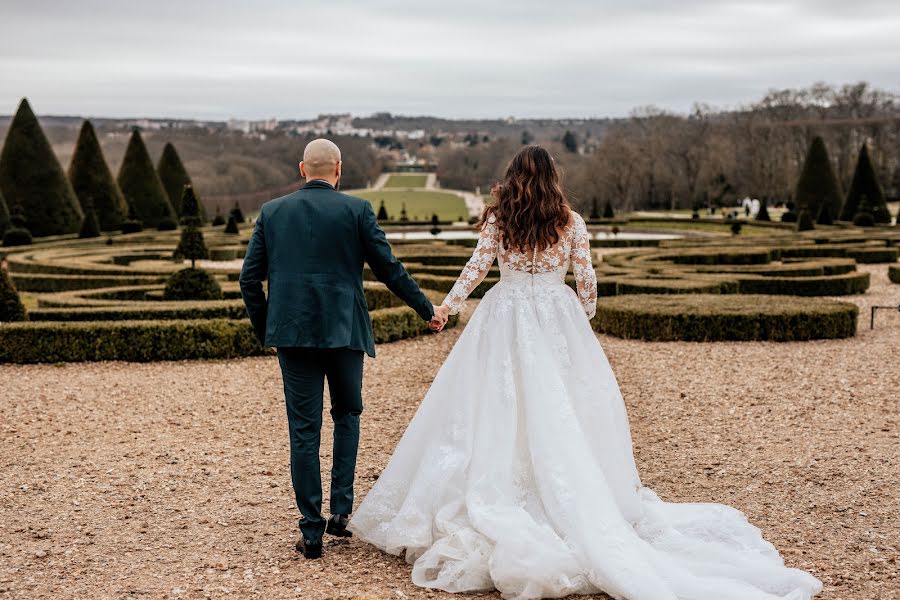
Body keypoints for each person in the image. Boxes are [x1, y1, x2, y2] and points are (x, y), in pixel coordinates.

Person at [349, 146, 822, 600]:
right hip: (556, 313)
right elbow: (587, 278)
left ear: (514, 177)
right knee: (563, 405)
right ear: (553, 178)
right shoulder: (570, 221)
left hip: (506, 310)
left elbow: (477, 268)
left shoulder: (499, 218)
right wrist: (581, 317)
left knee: (494, 404)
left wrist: (446, 308)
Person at [239, 138, 449, 560]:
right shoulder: (357, 210)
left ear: (303, 169)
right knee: (347, 415)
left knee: (304, 431)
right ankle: (341, 512)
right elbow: (390, 269)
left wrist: (270, 329)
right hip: (344, 332)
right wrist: (428, 309)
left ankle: (311, 531)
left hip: (293, 335)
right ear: (338, 169)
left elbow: (249, 280)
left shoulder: (272, 212)